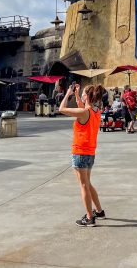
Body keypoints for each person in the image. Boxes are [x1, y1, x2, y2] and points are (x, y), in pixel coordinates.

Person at [58, 83, 105, 227]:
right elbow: (82, 107)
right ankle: (99, 211)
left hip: (80, 153)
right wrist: (78, 94)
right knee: (88, 183)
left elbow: (61, 109)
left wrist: (68, 94)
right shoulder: (96, 111)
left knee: (84, 185)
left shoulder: (84, 112)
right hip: (90, 153)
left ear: (87, 97)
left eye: (84, 93)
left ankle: (90, 218)